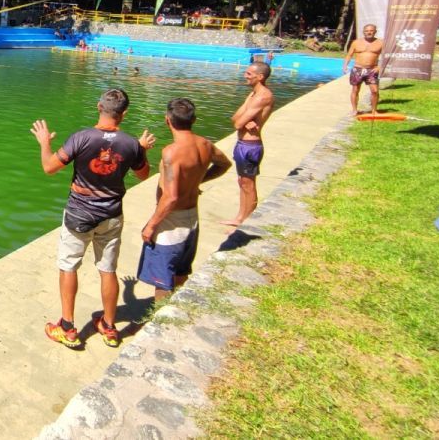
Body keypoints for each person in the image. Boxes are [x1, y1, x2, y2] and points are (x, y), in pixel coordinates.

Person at [31, 89, 156, 348]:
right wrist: (141, 150)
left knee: (68, 266)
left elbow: (49, 168)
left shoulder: (81, 138)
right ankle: (109, 328)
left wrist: (44, 142)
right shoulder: (131, 143)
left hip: (79, 213)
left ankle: (67, 326)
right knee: (107, 269)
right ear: (124, 114)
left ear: (99, 106)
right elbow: (144, 175)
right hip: (111, 214)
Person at [138, 98, 232, 299]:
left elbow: (170, 197)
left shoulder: (172, 152)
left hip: (171, 221)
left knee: (162, 279)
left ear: (167, 120)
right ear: (194, 120)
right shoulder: (205, 145)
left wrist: (151, 225)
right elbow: (224, 164)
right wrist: (198, 181)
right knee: (181, 271)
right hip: (192, 218)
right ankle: (177, 308)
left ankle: (160, 323)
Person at [222, 63, 273, 227]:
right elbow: (234, 118)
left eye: (249, 73)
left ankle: (247, 222)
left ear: (260, 77)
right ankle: (239, 218)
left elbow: (237, 123)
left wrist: (243, 121)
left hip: (251, 147)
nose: (246, 75)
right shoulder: (253, 95)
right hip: (243, 143)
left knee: (249, 184)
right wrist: (243, 120)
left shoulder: (262, 97)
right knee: (242, 182)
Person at [342, 24, 384, 115]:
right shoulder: (356, 42)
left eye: (371, 30)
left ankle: (374, 111)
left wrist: (379, 67)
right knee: (355, 90)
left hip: (372, 70)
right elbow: (349, 55)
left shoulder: (380, 43)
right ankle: (354, 110)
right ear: (363, 32)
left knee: (375, 91)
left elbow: (386, 56)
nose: (369, 32)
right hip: (357, 69)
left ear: (375, 31)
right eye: (366, 31)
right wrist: (345, 66)